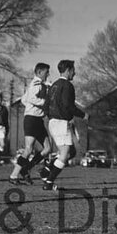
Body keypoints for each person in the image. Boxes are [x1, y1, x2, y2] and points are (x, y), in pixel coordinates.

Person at [41, 60, 84, 191]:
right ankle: (49, 182)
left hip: (53, 122)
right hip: (61, 122)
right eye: (73, 70)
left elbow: (45, 106)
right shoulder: (67, 85)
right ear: (68, 70)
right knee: (65, 154)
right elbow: (68, 105)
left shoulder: (53, 85)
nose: (74, 73)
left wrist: (53, 117)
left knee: (71, 151)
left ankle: (48, 168)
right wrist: (83, 115)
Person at [10, 62, 52, 185]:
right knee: (28, 149)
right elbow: (31, 99)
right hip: (32, 119)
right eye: (46, 72)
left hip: (37, 119)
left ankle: (26, 168)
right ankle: (14, 175)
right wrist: (45, 103)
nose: (48, 74)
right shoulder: (36, 84)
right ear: (39, 72)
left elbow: (24, 100)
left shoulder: (38, 85)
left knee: (47, 148)